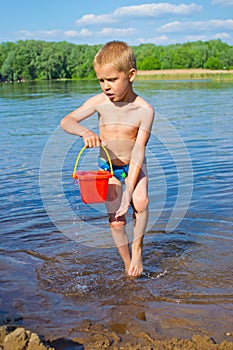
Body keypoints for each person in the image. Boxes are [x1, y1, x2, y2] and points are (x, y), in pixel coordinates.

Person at [60, 41, 154, 277]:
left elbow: (139, 151)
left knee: (140, 203)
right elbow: (67, 121)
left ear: (131, 75)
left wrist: (129, 192)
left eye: (112, 80)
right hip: (109, 168)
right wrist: (85, 132)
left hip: (134, 165)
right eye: (101, 80)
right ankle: (127, 264)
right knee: (117, 221)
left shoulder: (144, 110)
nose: (106, 87)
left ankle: (138, 248)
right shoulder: (100, 102)